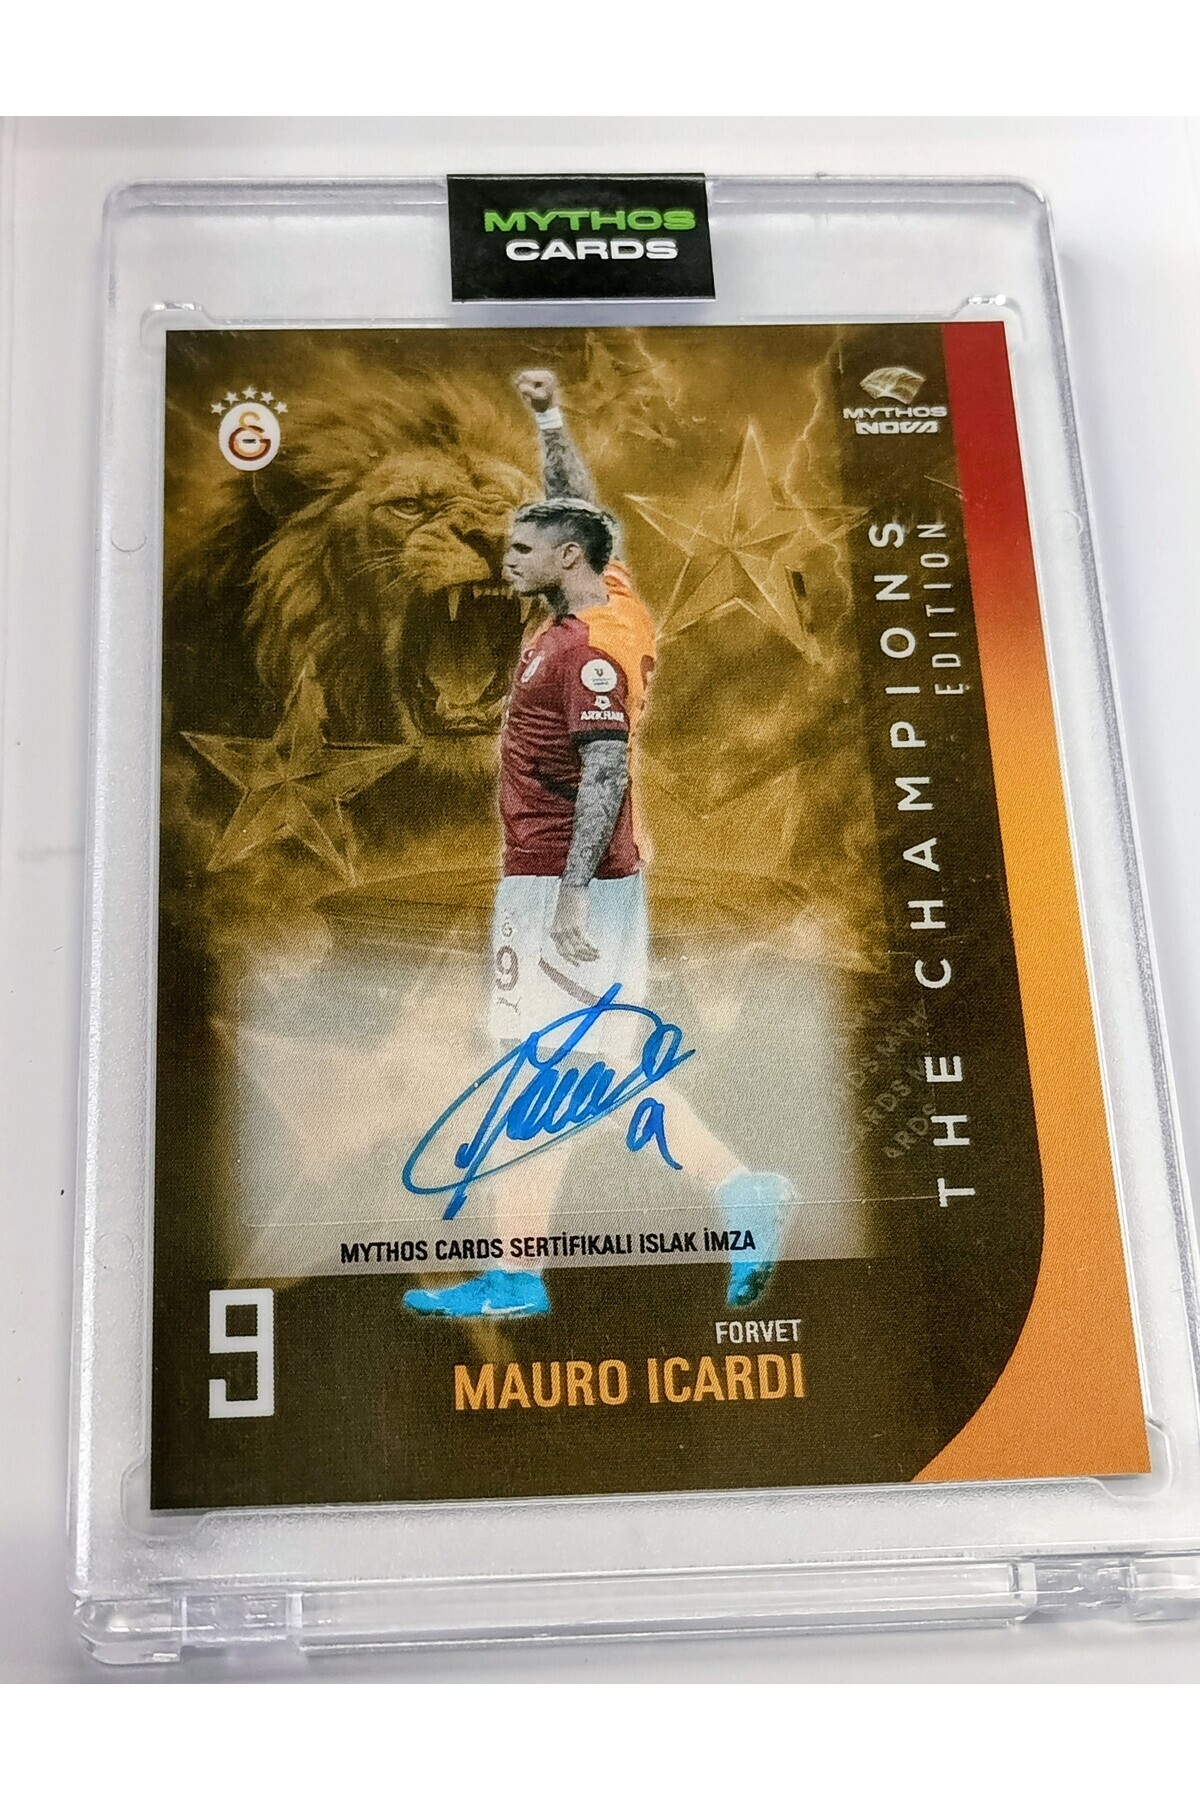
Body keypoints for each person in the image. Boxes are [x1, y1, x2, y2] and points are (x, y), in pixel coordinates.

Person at [404, 371, 793, 1319]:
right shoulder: (602, 599)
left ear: (565, 558)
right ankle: (739, 1192)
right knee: (586, 1073)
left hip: (561, 883)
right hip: (564, 878)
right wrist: (548, 420)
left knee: (537, 1077)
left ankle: (519, 1273)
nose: (504, 558)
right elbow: (581, 510)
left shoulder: (589, 653)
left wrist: (571, 896)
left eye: (520, 548)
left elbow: (607, 772)